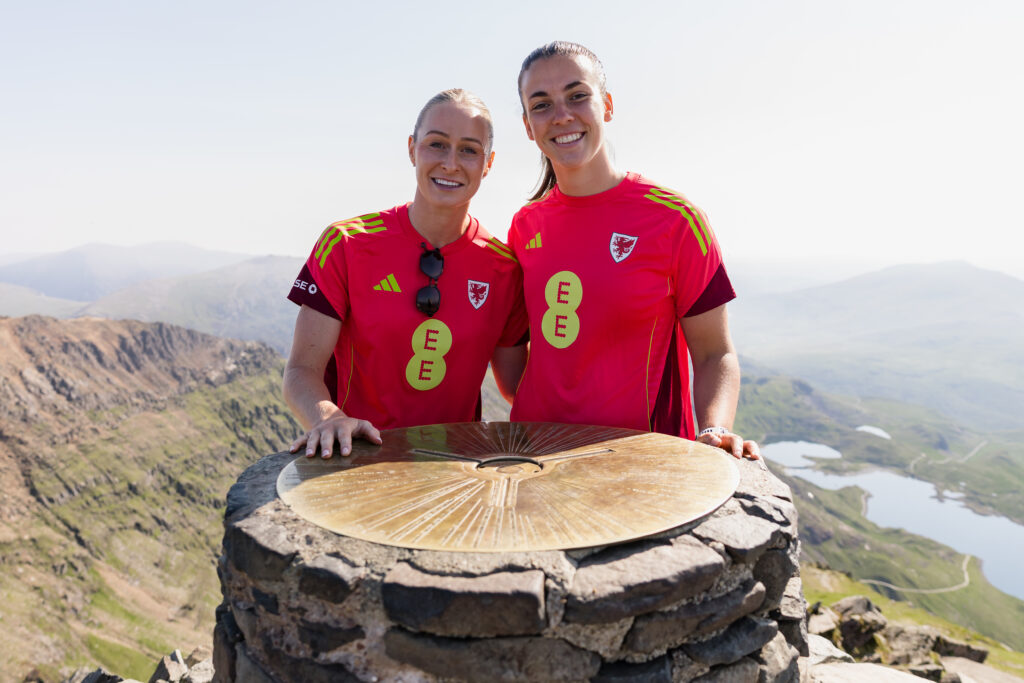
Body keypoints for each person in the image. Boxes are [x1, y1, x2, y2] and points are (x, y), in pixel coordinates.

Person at [507, 41, 760, 460]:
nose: (562, 115)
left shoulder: (676, 220)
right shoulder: (524, 226)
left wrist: (714, 427)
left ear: (606, 105)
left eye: (577, 96)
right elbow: (513, 348)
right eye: (541, 105)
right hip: (536, 458)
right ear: (528, 126)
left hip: (639, 465)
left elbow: (716, 353)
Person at [284, 89, 528, 459]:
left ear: (488, 163)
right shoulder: (346, 244)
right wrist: (328, 418)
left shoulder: (504, 268)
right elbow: (301, 370)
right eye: (436, 144)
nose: (450, 163)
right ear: (412, 149)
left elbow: (517, 387)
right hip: (358, 463)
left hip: (453, 473)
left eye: (468, 149)